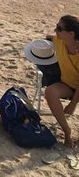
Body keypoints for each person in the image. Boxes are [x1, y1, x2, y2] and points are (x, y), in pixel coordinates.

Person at [45, 15, 79, 147]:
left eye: (59, 28)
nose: (55, 30)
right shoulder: (58, 41)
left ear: (71, 34)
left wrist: (73, 104)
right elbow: (48, 38)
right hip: (68, 85)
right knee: (50, 92)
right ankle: (66, 130)